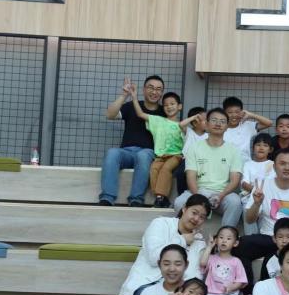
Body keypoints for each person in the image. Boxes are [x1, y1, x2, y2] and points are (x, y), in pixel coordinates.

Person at [238, 149, 289, 288]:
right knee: (240, 245)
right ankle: (248, 291)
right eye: (282, 163)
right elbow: (250, 219)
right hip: (269, 238)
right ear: (274, 166)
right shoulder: (262, 186)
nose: (287, 167)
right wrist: (257, 203)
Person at [119, 194, 211, 295]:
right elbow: (154, 258)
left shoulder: (199, 242)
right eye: (194, 213)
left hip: (173, 292)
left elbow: (193, 275)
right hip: (143, 286)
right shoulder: (160, 224)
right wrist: (182, 240)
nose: (196, 219)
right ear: (184, 208)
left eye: (202, 217)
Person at [100, 75, 164, 207]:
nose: (154, 92)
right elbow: (110, 114)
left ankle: (136, 199)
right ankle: (107, 198)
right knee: (112, 152)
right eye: (151, 88)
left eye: (158, 89)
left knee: (143, 155)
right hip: (127, 152)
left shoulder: (164, 112)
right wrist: (124, 95)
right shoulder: (132, 105)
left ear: (162, 92)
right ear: (144, 89)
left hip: (148, 153)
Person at [174, 108, 243, 228]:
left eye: (222, 121)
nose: (218, 124)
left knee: (235, 202)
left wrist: (221, 196)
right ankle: (187, 235)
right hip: (198, 190)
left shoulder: (234, 150)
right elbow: (191, 177)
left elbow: (235, 180)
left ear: (227, 127)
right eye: (214, 120)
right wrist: (199, 198)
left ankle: (224, 235)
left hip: (223, 193)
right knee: (179, 202)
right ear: (206, 124)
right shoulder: (194, 147)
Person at [127, 86, 190, 208]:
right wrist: (134, 97)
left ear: (179, 106)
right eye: (166, 105)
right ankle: (161, 198)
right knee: (154, 169)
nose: (169, 107)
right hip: (159, 156)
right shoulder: (158, 121)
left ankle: (161, 197)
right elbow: (140, 114)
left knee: (166, 169)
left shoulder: (182, 125)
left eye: (172, 104)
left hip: (175, 156)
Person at [239, 133, 276, 234]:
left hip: (267, 198)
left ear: (270, 149)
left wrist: (260, 192)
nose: (261, 148)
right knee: (247, 210)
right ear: (253, 148)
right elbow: (244, 183)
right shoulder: (248, 164)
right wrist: (256, 191)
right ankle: (251, 238)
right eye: (258, 145)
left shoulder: (272, 164)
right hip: (249, 197)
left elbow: (272, 183)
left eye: (265, 145)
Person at [222, 96, 273, 164]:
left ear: (242, 112)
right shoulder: (220, 128)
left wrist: (251, 115)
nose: (234, 115)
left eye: (237, 112)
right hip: (225, 165)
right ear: (224, 113)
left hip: (245, 165)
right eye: (230, 112)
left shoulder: (247, 125)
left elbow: (269, 123)